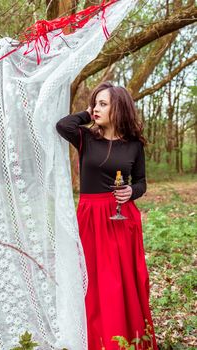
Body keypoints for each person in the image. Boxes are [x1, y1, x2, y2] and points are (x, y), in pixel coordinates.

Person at [56, 82, 158, 350]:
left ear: (119, 108)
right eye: (95, 103)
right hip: (90, 217)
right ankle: (94, 340)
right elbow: (63, 125)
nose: (96, 108)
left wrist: (131, 192)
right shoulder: (86, 138)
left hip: (121, 218)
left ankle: (125, 338)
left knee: (120, 281)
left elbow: (142, 182)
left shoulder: (133, 144)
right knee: (92, 281)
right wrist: (88, 114)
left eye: (103, 104)